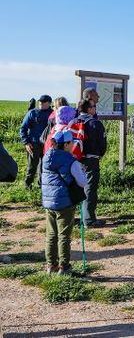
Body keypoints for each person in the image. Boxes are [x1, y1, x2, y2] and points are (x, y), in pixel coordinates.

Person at [40, 129, 87, 275]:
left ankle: (50, 266)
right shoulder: (70, 160)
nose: (73, 144)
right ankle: (64, 267)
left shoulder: (47, 156)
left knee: (51, 235)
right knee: (64, 236)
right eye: (71, 142)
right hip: (65, 202)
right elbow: (82, 182)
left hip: (49, 202)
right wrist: (82, 171)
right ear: (66, 144)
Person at [70, 99, 107, 227]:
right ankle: (89, 219)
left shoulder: (72, 122)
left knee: (75, 186)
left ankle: (72, 217)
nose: (95, 108)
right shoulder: (95, 123)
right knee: (90, 188)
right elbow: (102, 145)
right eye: (93, 106)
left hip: (74, 159)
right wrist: (99, 154)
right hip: (91, 159)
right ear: (89, 109)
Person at [20, 94, 53, 189]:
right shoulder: (32, 113)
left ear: (49, 103)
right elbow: (23, 128)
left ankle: (41, 186)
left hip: (47, 145)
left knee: (44, 167)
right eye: (40, 102)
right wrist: (26, 142)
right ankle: (27, 185)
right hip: (33, 144)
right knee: (32, 166)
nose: (41, 103)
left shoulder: (53, 114)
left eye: (43, 102)